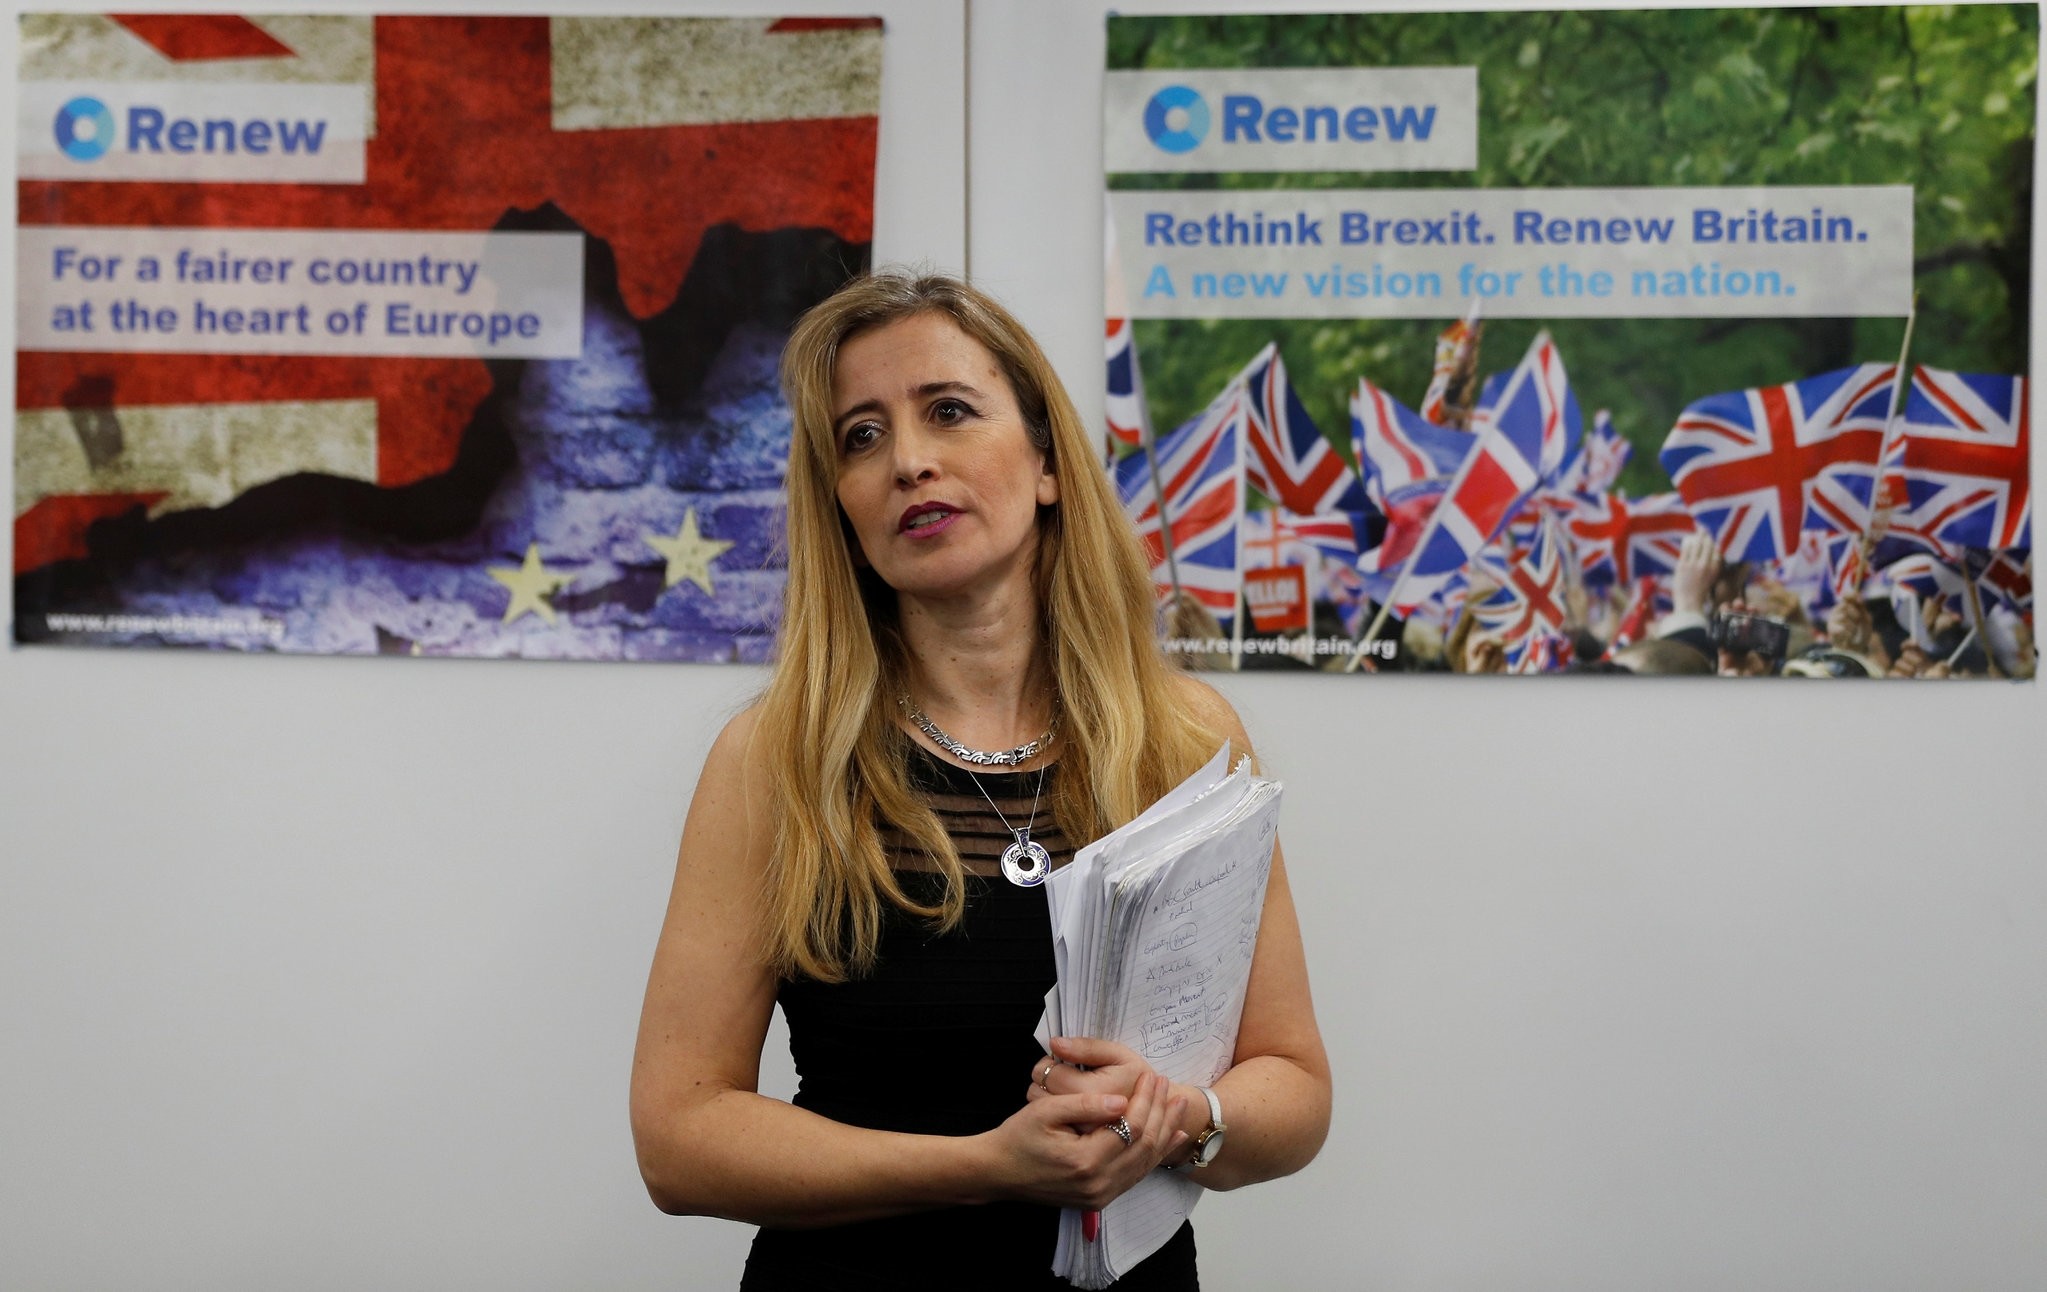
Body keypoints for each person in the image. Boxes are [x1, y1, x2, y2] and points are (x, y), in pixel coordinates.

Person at [629, 271, 1331, 1290]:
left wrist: (1180, 1116)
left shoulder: (1181, 739)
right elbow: (678, 1136)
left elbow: (1294, 1090)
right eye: (861, 437)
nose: (908, 460)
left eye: (949, 411)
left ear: (1045, 462)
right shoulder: (775, 759)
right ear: (840, 505)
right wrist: (986, 1167)